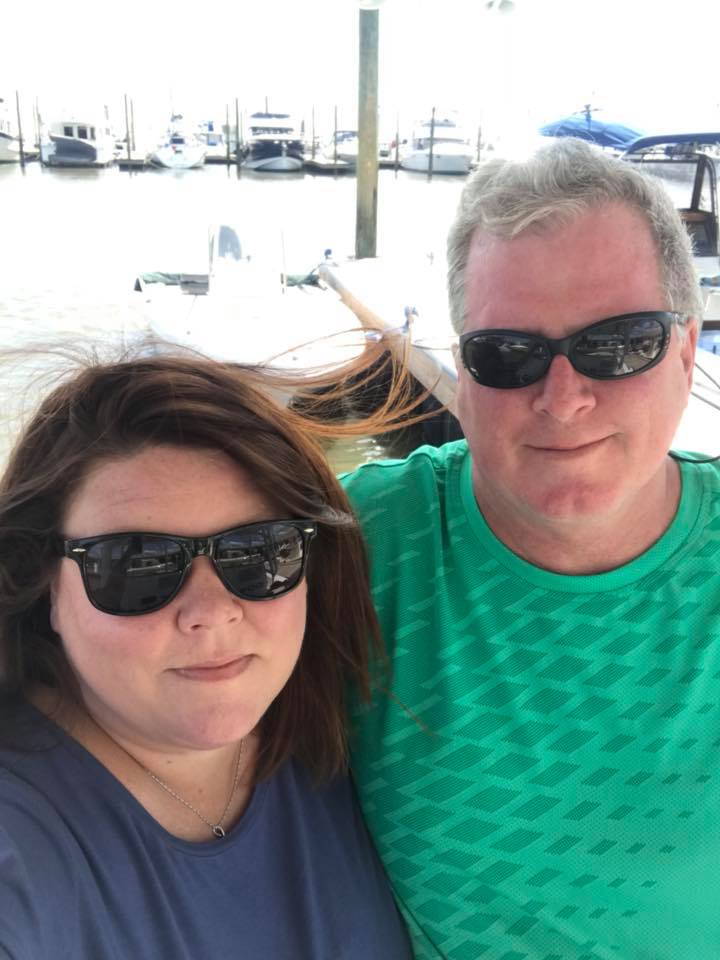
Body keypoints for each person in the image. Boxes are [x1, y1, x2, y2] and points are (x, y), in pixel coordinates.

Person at [342, 138, 720, 959]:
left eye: (618, 343)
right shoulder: (364, 544)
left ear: (687, 353)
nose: (563, 398)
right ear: (464, 373)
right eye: (507, 355)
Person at [0, 349, 414, 959]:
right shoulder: (19, 847)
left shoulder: (346, 730)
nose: (212, 611)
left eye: (259, 552)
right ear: (44, 587)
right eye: (138, 565)